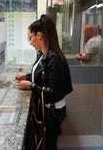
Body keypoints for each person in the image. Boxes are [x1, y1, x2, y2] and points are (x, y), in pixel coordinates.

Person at [14, 14, 73, 150]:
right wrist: (27, 77)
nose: (30, 42)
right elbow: (44, 77)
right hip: (46, 108)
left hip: (53, 110)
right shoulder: (43, 54)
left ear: (39, 35)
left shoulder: (54, 58)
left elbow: (54, 92)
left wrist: (31, 86)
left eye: (30, 38)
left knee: (50, 145)